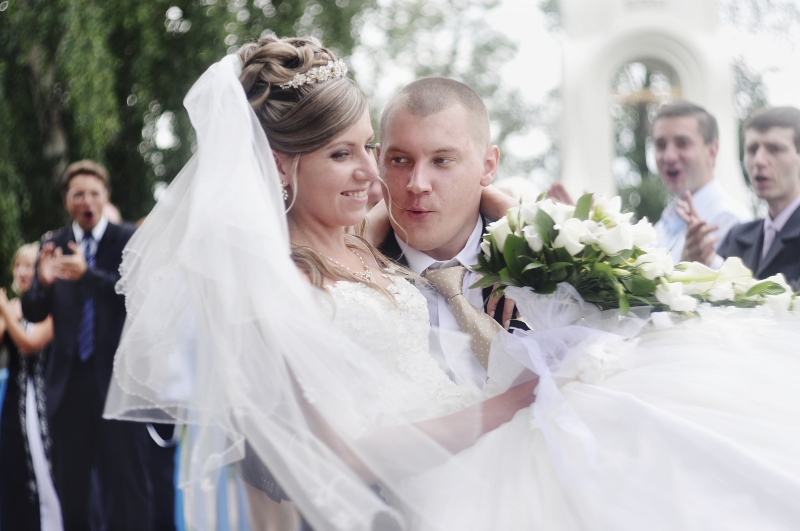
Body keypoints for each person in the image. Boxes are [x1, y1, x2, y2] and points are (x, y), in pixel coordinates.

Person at [105, 37, 800, 531]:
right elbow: (324, 452)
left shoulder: (373, 243)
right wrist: (508, 406)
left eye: (366, 151)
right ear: (281, 167)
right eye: (358, 155)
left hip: (499, 448)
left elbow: (404, 221)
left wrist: (513, 213)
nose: (388, 178)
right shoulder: (279, 284)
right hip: (432, 483)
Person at [21, 160, 170, 531]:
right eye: (78, 194)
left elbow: (138, 298)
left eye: (93, 193)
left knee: (127, 488)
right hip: (68, 388)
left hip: (118, 385)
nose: (86, 200)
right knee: (72, 492)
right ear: (67, 201)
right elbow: (35, 312)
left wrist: (89, 277)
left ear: (105, 198)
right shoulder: (52, 243)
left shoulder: (127, 240)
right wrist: (41, 284)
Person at [377, 78, 520, 387]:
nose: (417, 183)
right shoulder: (351, 275)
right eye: (400, 160)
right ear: (378, 162)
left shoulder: (538, 256)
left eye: (442, 160)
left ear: (488, 165)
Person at [680, 106, 800, 290]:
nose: (759, 160)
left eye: (775, 149)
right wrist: (692, 262)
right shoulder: (738, 236)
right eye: (752, 149)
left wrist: (713, 263)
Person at [0, 243, 62, 531]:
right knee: (13, 469)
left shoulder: (51, 307)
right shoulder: (10, 308)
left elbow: (30, 343)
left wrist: (6, 311)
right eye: (19, 266)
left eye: (29, 266)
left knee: (46, 473)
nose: (23, 272)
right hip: (13, 405)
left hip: (45, 404)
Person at [651, 101, 752, 263]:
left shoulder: (731, 222)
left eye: (682, 144)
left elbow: (737, 287)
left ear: (712, 151)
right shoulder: (660, 228)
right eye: (661, 145)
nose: (669, 156)